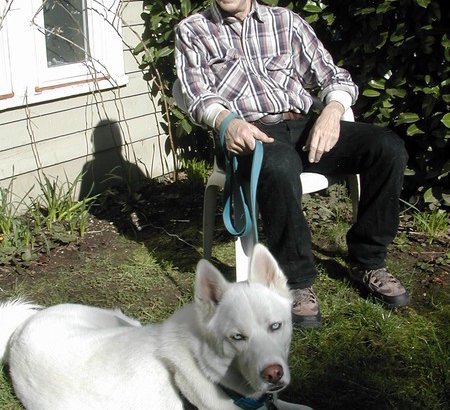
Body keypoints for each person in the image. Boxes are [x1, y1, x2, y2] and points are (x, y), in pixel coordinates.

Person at [175, 0, 410, 328]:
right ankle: (296, 282)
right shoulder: (193, 30)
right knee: (279, 165)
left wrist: (332, 111)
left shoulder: (286, 21)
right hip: (248, 132)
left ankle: (368, 261)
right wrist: (227, 122)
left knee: (388, 148)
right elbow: (196, 94)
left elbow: (333, 76)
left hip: (301, 124)